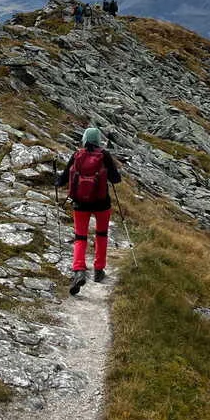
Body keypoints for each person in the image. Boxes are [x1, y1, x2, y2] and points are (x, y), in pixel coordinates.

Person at [55, 126, 123, 295]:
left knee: (80, 237)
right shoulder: (104, 155)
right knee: (101, 235)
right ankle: (98, 270)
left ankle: (78, 270)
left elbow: (62, 179)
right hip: (102, 203)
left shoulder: (77, 155)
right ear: (98, 140)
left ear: (84, 139)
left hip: (80, 204)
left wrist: (56, 181)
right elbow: (116, 179)